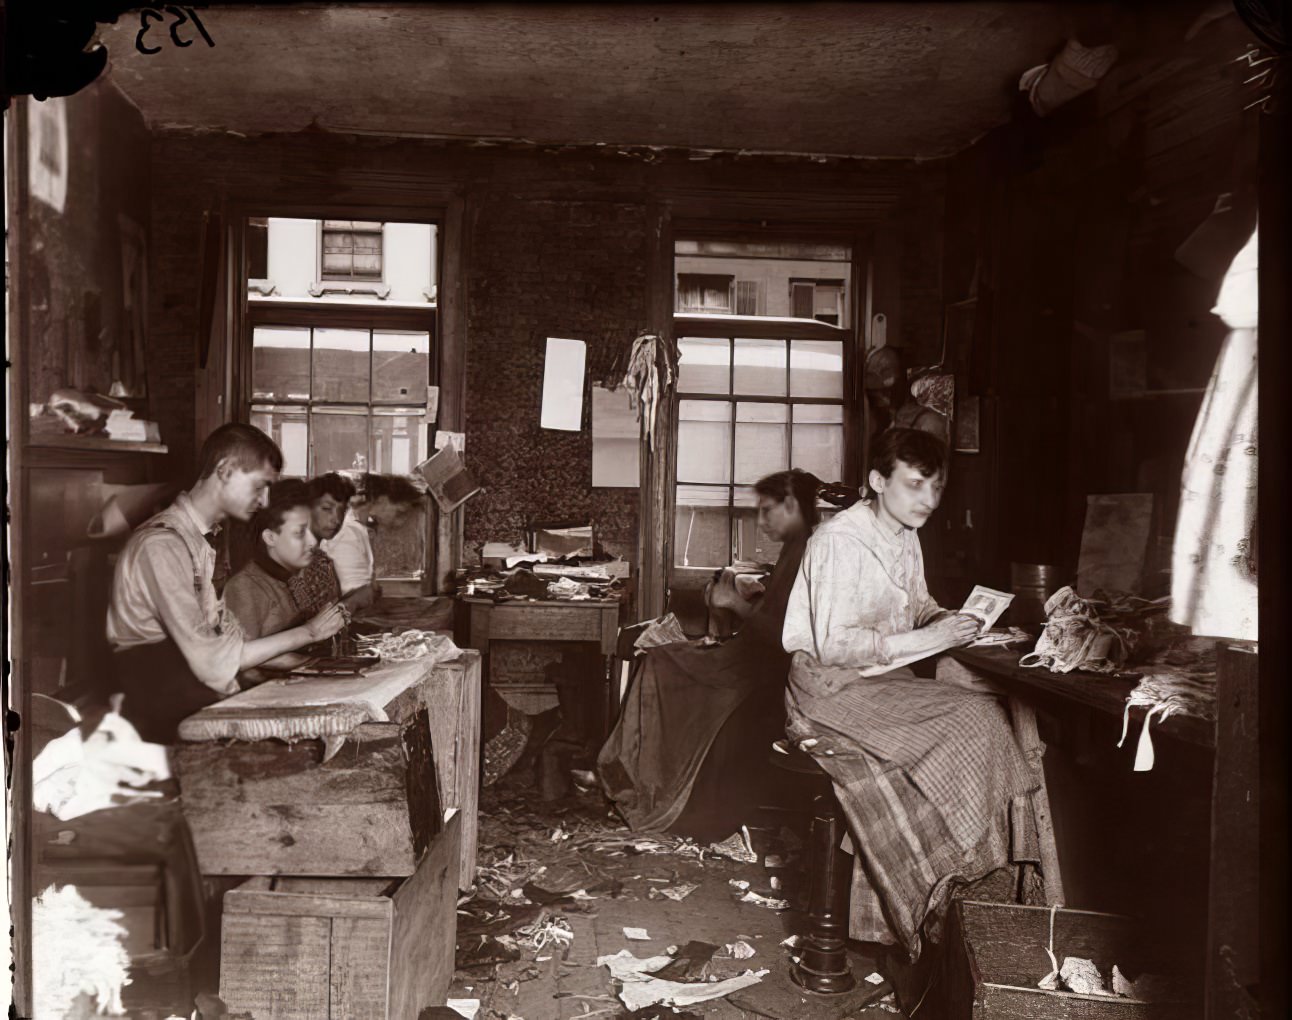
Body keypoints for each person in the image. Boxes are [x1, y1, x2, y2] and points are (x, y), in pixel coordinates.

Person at [781, 428, 1041, 960]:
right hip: (828, 691)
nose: (929, 500)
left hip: (881, 683)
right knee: (973, 720)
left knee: (985, 712)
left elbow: (917, 604)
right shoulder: (838, 541)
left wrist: (949, 620)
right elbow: (834, 645)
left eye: (937, 487)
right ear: (877, 481)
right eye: (916, 484)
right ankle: (950, 886)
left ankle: (972, 889)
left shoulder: (903, 534)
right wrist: (930, 639)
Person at [598, 469, 821, 835]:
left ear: (793, 506)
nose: (761, 521)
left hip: (765, 672)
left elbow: (786, 635)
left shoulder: (810, 551)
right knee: (657, 654)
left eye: (768, 510)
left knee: (659, 663)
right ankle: (632, 773)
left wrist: (733, 601)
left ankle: (651, 782)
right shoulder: (795, 547)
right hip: (751, 657)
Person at [106, 424, 347, 742]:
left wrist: (316, 665)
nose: (263, 501)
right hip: (159, 716)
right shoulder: (161, 544)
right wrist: (310, 633)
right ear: (225, 470)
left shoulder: (203, 539)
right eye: (259, 486)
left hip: (190, 693)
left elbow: (229, 646)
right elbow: (213, 663)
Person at [224, 480, 324, 641]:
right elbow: (239, 657)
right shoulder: (245, 588)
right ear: (270, 537)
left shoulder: (293, 579)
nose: (313, 542)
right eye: (300, 532)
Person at [323, 473, 424, 599]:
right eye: (400, 513)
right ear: (381, 500)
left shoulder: (360, 528)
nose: (400, 522)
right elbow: (353, 592)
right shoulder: (348, 532)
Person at [288, 472, 373, 617]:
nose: (337, 519)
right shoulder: (295, 557)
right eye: (327, 509)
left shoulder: (321, 558)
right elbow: (311, 622)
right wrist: (354, 602)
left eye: (342, 510)